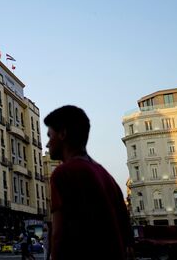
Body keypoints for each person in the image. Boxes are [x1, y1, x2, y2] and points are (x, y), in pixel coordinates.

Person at [44, 105, 133, 260]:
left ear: (63, 134)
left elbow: (59, 235)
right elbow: (126, 232)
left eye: (49, 136)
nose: (47, 144)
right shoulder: (107, 176)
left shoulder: (63, 173)